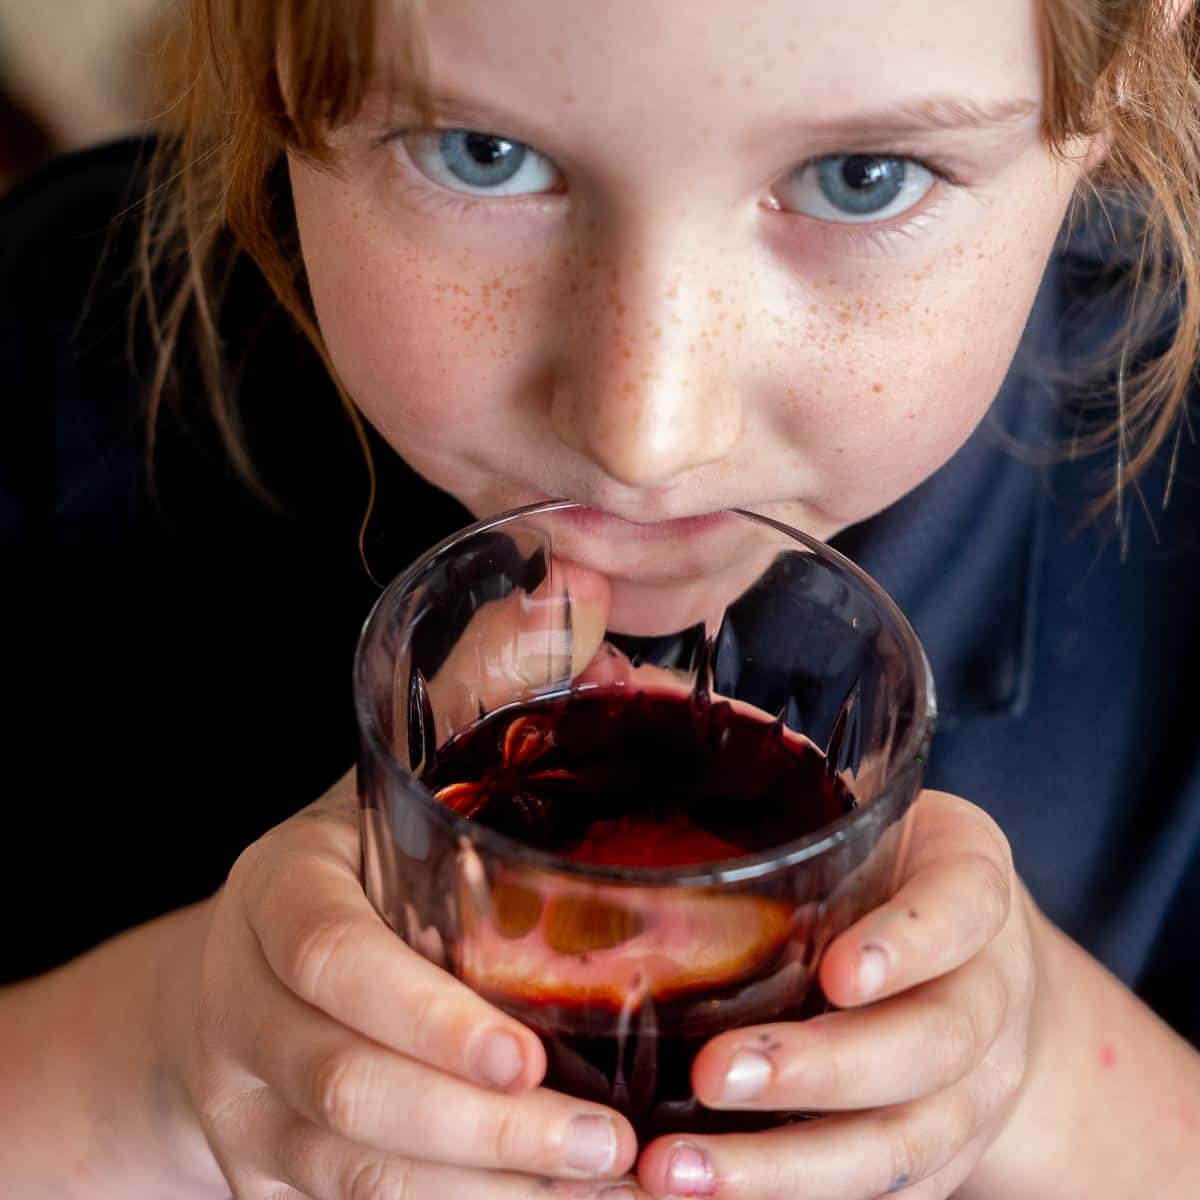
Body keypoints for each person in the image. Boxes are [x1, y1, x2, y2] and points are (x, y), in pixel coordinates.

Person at [2, 0, 1198, 1196]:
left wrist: (1038, 1074)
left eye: (861, 177)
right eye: (482, 153)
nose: (645, 435)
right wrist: (164, 1058)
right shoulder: (53, 349)